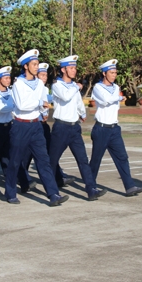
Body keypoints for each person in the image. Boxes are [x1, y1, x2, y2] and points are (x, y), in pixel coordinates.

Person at [3, 49, 69, 206]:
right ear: (26, 66)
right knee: (15, 161)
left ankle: (53, 194)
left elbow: (42, 102)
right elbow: (21, 105)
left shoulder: (39, 83)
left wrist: (43, 108)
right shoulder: (18, 83)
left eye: (37, 63)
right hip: (21, 126)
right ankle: (10, 192)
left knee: (43, 161)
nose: (36, 67)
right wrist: (40, 104)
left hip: (36, 126)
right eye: (33, 64)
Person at [48, 55, 106, 200]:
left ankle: (91, 189)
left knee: (82, 160)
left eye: (75, 68)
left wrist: (81, 112)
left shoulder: (73, 87)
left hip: (74, 128)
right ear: (63, 69)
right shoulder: (57, 85)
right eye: (71, 68)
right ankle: (53, 190)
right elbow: (67, 97)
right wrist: (76, 87)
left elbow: (77, 101)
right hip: (61, 127)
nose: (74, 71)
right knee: (52, 160)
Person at [89, 59, 142, 197]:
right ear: (104, 73)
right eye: (111, 72)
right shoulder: (98, 87)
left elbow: (115, 102)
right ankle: (90, 187)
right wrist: (118, 97)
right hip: (101, 128)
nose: (114, 75)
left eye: (115, 72)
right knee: (96, 159)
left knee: (122, 157)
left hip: (114, 128)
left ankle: (130, 186)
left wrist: (117, 97)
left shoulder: (116, 88)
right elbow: (105, 100)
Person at [0, 66, 36, 192]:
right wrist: (15, 106)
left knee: (12, 157)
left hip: (9, 126)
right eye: (5, 78)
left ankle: (23, 181)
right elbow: (0, 108)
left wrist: (14, 106)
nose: (8, 80)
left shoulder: (10, 91)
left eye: (9, 77)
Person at [23, 63, 74, 187]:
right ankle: (22, 178)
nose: (44, 78)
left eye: (46, 75)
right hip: (33, 124)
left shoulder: (45, 89)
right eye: (42, 75)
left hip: (43, 125)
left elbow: (49, 100)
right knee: (26, 155)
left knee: (48, 153)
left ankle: (58, 177)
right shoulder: (31, 88)